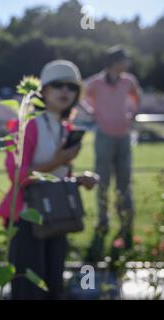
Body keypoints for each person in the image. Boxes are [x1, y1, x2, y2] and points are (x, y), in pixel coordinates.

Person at [0, 60, 98, 299]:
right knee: (29, 290)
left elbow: (57, 176)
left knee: (53, 286)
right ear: (43, 90)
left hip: (56, 217)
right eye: (58, 85)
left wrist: (78, 179)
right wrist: (57, 160)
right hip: (27, 218)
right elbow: (17, 175)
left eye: (71, 87)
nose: (65, 92)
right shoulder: (27, 125)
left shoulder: (66, 127)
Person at [85, 45, 142, 251]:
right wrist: (92, 111)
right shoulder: (96, 82)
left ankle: (126, 224)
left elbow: (137, 97)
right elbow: (81, 93)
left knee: (124, 183)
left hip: (124, 136)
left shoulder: (128, 81)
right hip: (104, 136)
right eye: (124, 59)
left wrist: (132, 114)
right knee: (102, 180)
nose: (127, 63)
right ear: (114, 62)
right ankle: (102, 222)